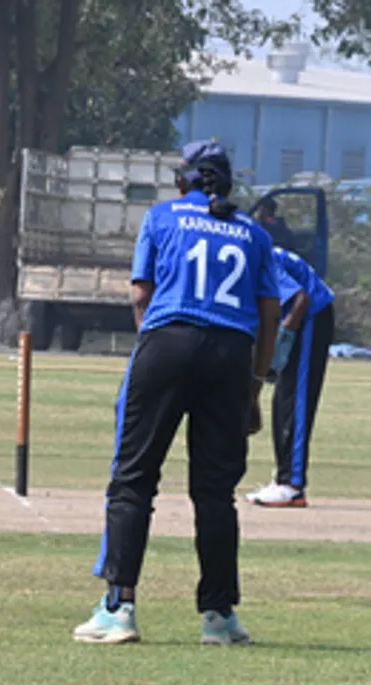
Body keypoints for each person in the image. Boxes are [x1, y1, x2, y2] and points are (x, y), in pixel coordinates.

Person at [74, 140, 280, 646]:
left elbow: (141, 293)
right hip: (232, 353)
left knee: (134, 478)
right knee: (215, 491)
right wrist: (254, 386)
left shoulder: (163, 217)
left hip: (169, 341)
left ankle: (119, 606)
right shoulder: (253, 232)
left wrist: (153, 352)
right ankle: (219, 616)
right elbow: (270, 311)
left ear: (184, 180)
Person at [246, 248, 335, 508]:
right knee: (283, 400)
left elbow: (301, 299)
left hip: (309, 319)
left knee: (296, 399)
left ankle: (292, 485)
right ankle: (283, 478)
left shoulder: (257, 255)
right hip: (296, 316)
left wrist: (283, 338)